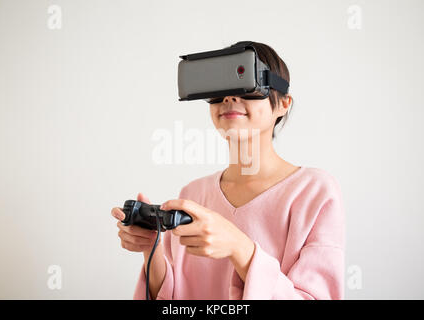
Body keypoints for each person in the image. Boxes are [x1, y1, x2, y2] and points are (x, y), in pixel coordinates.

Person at [111, 41, 345, 300]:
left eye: (248, 85)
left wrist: (239, 247)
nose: (230, 98)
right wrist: (150, 250)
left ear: (283, 104)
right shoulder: (193, 194)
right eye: (220, 89)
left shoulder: (314, 192)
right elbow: (172, 297)